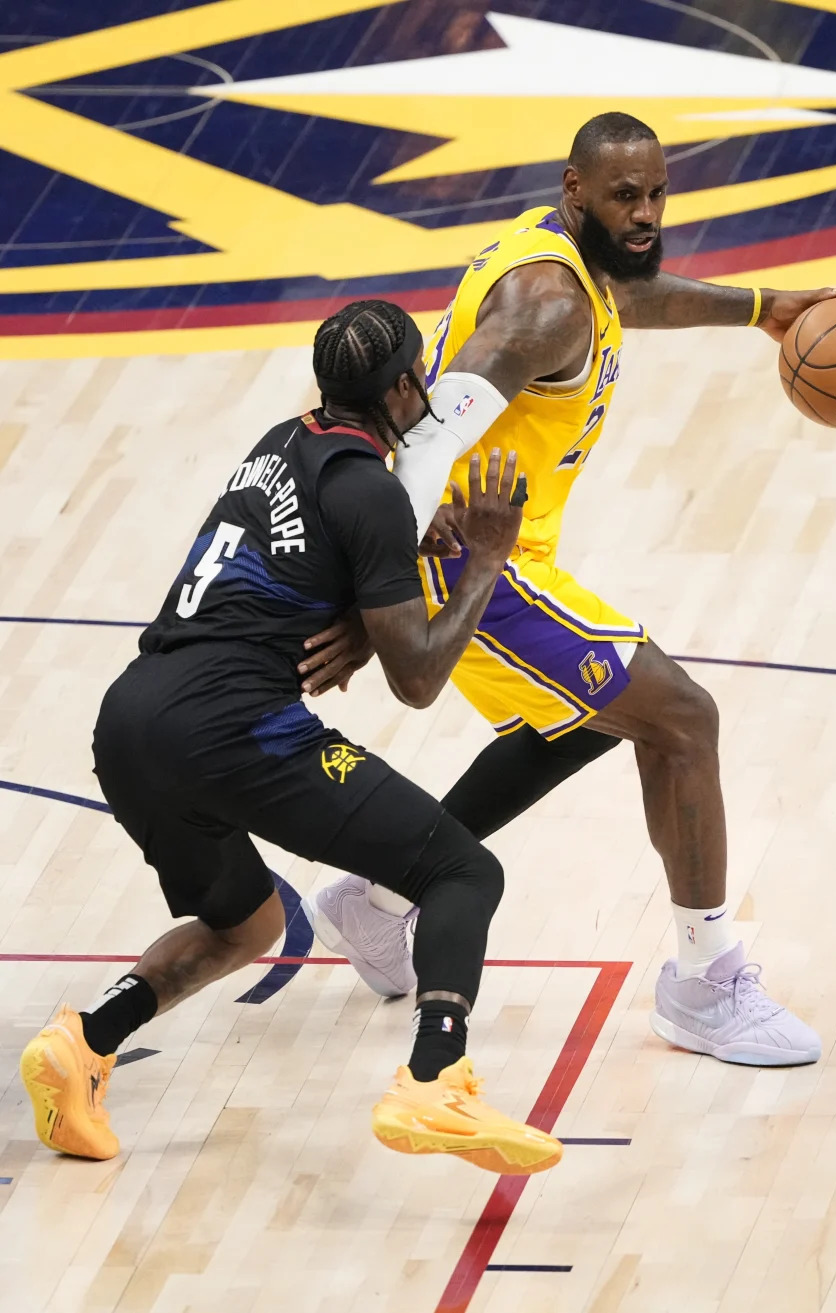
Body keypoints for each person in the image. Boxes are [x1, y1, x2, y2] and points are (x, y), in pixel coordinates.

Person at [304, 113, 836, 1066]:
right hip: (469, 555)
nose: (644, 214)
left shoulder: (570, 257)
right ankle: (704, 984)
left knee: (588, 714)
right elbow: (419, 444)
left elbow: (630, 296)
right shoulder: (545, 305)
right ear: (575, 186)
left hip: (508, 546)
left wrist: (765, 310)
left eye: (656, 193)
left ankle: (380, 900)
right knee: (681, 718)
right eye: (624, 196)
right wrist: (363, 597)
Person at [18, 299, 562, 1178]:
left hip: (129, 718)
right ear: (399, 388)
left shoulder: (280, 442)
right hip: (232, 724)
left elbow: (308, 553)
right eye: (418, 376)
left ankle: (83, 1041)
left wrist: (389, 573)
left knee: (247, 923)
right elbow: (417, 679)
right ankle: (436, 1076)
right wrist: (488, 551)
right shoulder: (369, 489)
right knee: (463, 870)